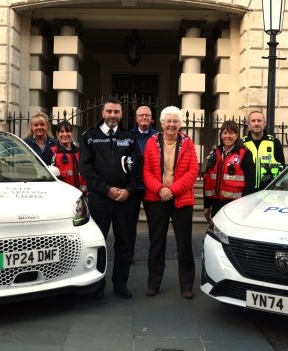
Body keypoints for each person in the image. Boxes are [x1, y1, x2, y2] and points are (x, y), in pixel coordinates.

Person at [79, 97, 143, 300]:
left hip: (125, 200)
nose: (113, 115)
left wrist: (129, 190)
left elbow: (138, 167)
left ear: (122, 114)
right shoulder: (89, 137)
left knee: (124, 243)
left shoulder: (129, 138)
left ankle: (120, 285)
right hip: (100, 199)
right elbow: (86, 169)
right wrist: (107, 190)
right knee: (99, 242)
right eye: (109, 111)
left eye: (116, 112)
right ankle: (97, 284)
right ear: (103, 113)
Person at [142, 106, 199, 299]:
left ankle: (186, 285)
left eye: (175, 121)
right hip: (156, 198)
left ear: (180, 124)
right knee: (157, 242)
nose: (172, 125)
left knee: (184, 243)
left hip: (181, 199)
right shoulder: (151, 143)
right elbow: (146, 171)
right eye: (168, 121)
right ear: (161, 123)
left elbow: (193, 171)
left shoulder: (188, 143)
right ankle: (153, 283)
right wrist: (160, 189)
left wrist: (172, 190)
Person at [203, 120, 256, 222]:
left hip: (236, 206)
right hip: (216, 205)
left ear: (237, 135)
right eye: (225, 133)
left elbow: (250, 183)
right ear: (221, 135)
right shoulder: (214, 153)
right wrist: (206, 206)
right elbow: (207, 180)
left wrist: (245, 205)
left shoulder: (245, 154)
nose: (228, 136)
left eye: (231, 133)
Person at [128, 105, 158, 264]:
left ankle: (154, 257)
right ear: (136, 118)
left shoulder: (158, 136)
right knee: (129, 224)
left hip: (151, 187)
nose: (144, 118)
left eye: (147, 115)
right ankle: (129, 255)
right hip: (133, 187)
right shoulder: (128, 136)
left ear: (152, 118)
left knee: (154, 224)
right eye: (141, 115)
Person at [242, 110, 285, 190]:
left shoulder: (274, 143)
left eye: (259, 121)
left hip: (269, 192)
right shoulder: (242, 144)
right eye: (253, 121)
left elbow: (282, 168)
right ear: (249, 124)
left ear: (264, 124)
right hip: (247, 193)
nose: (256, 124)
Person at [50, 120, 87, 194]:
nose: (65, 134)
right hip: (62, 196)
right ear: (57, 134)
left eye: (68, 131)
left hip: (81, 196)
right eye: (62, 131)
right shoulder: (51, 152)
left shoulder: (80, 152)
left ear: (72, 133)